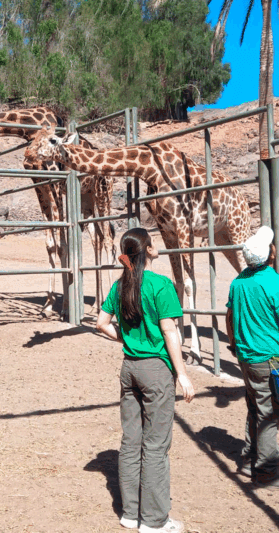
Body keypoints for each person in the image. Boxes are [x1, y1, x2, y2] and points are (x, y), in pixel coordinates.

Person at [96, 228, 195, 533]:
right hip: (155, 370)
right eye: (153, 243)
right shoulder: (161, 285)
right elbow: (169, 332)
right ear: (149, 250)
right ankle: (154, 520)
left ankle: (130, 513)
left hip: (129, 368)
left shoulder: (120, 284)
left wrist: (127, 341)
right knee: (155, 446)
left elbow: (101, 323)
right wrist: (182, 373)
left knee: (130, 442)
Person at [225, 225, 279, 491]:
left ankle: (251, 458)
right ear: (271, 254)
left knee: (255, 406)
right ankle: (267, 472)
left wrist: (234, 344)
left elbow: (228, 317)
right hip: (269, 359)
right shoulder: (278, 285)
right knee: (272, 413)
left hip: (246, 358)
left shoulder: (238, 282)